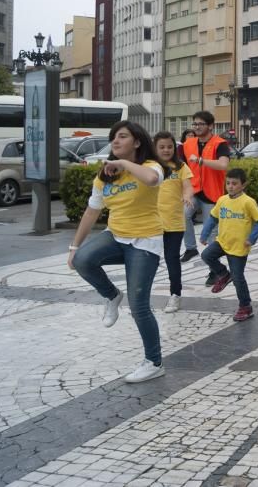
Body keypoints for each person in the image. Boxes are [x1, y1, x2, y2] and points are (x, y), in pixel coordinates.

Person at [68, 121, 170, 384]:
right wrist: (74, 247)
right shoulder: (104, 176)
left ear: (136, 142)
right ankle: (111, 296)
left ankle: (154, 362)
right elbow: (92, 212)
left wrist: (123, 164)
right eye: (113, 137)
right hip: (115, 237)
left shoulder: (150, 166)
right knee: (82, 260)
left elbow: (151, 179)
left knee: (139, 307)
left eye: (122, 136)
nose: (115, 140)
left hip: (145, 243)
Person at [200, 168, 258, 322]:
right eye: (228, 183)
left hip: (239, 247)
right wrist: (204, 234)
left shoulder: (248, 202)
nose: (230, 186)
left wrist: (251, 239)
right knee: (206, 255)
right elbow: (212, 218)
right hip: (222, 242)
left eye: (234, 183)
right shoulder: (222, 200)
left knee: (238, 278)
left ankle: (245, 306)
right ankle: (223, 274)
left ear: (243, 185)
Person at [181, 111, 231, 268]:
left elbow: (223, 164)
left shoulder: (220, 143)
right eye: (194, 124)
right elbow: (180, 167)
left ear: (210, 126)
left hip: (212, 192)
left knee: (211, 234)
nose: (196, 127)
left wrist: (202, 161)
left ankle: (214, 270)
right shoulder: (188, 144)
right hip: (194, 190)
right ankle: (190, 248)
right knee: (182, 215)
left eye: (200, 124)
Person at [153, 131, 195, 314]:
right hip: (150, 223)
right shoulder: (150, 167)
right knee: (147, 261)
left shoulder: (180, 167)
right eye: (161, 147)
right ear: (155, 148)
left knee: (172, 260)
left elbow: (188, 186)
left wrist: (187, 197)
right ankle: (140, 298)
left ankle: (175, 295)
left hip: (174, 223)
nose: (166, 150)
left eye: (170, 146)